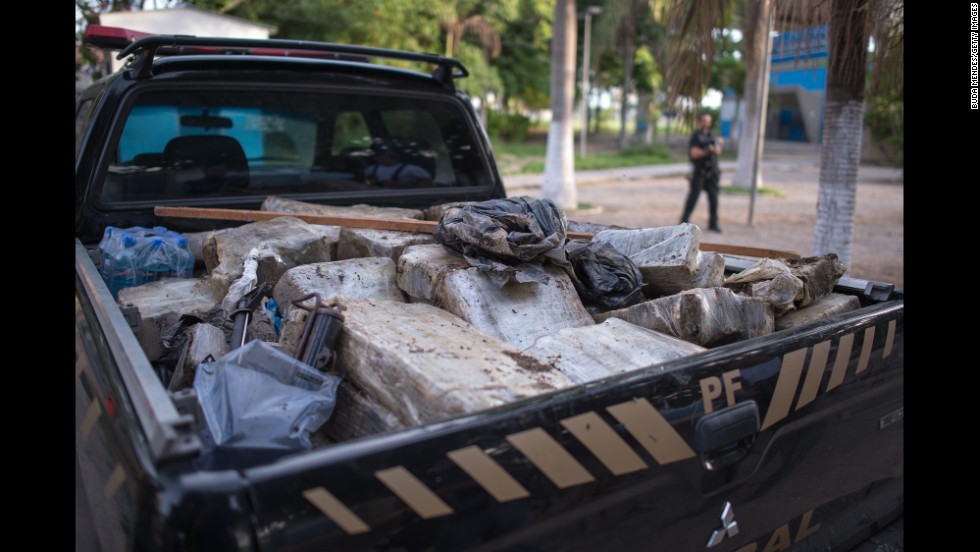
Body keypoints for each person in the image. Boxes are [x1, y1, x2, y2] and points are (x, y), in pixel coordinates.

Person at [680, 112, 723, 232]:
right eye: (704, 120)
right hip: (700, 172)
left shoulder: (711, 136)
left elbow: (718, 150)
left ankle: (713, 223)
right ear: (700, 121)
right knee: (693, 197)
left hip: (712, 173)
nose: (706, 122)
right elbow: (694, 153)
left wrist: (716, 147)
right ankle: (683, 221)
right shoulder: (696, 136)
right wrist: (707, 151)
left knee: (714, 198)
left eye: (708, 120)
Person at [364, 137, 433, 187]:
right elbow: (365, 184)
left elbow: (428, 185)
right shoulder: (371, 170)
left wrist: (402, 184)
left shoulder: (413, 170)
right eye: (378, 155)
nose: (382, 158)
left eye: (385, 155)